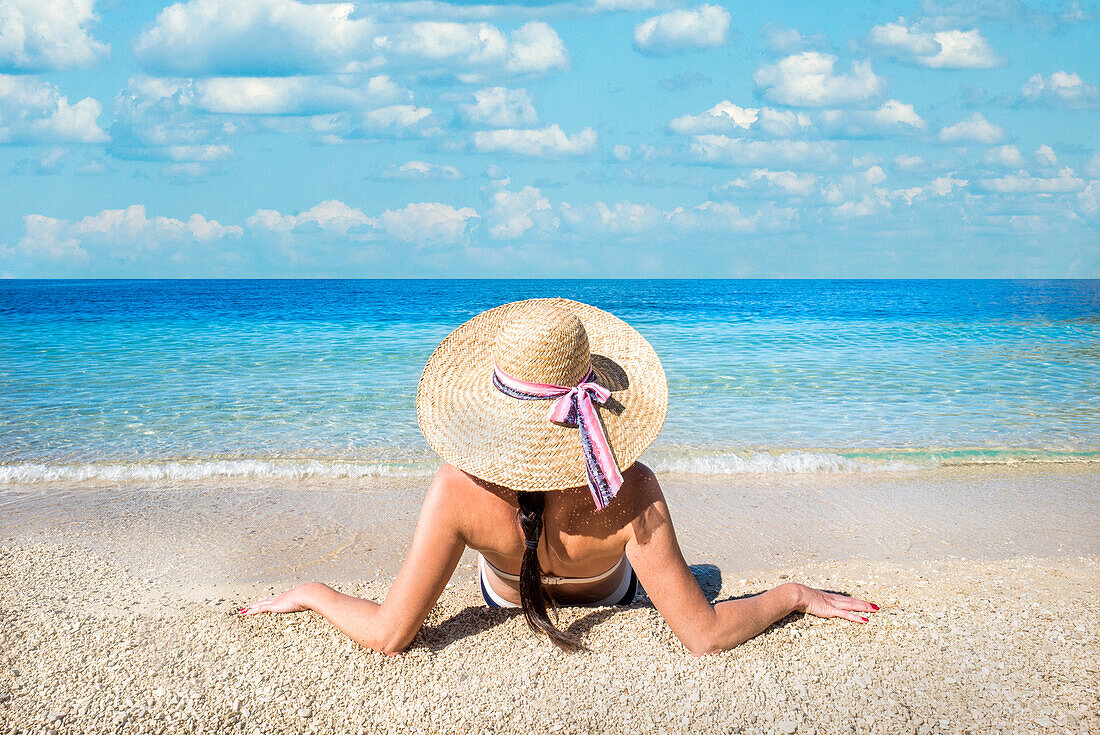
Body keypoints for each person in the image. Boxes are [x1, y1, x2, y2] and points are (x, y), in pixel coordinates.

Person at [241, 298, 878, 655]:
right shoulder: (630, 488)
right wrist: (793, 594)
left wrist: (315, 593)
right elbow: (704, 637)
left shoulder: (456, 487)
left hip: (507, 600)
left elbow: (388, 635)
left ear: (495, 407)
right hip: (608, 593)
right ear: (595, 392)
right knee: (701, 583)